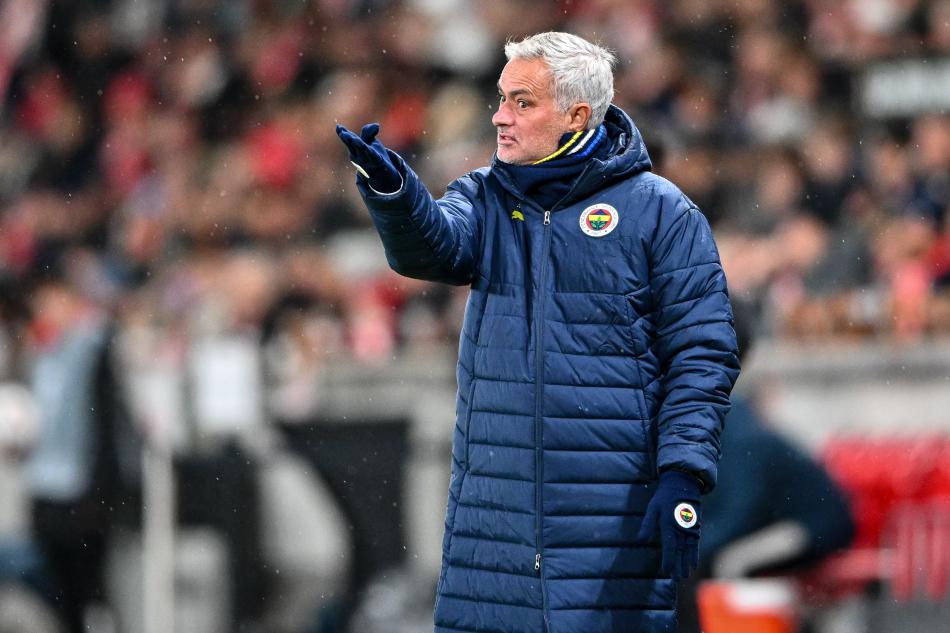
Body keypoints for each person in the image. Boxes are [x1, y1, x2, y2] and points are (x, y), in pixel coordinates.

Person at [336, 32, 740, 633]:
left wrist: (683, 472)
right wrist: (394, 192)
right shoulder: (485, 197)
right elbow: (433, 248)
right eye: (501, 99)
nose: (500, 116)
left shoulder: (661, 213)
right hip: (493, 531)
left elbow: (701, 355)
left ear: (577, 115)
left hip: (610, 525)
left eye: (522, 102)